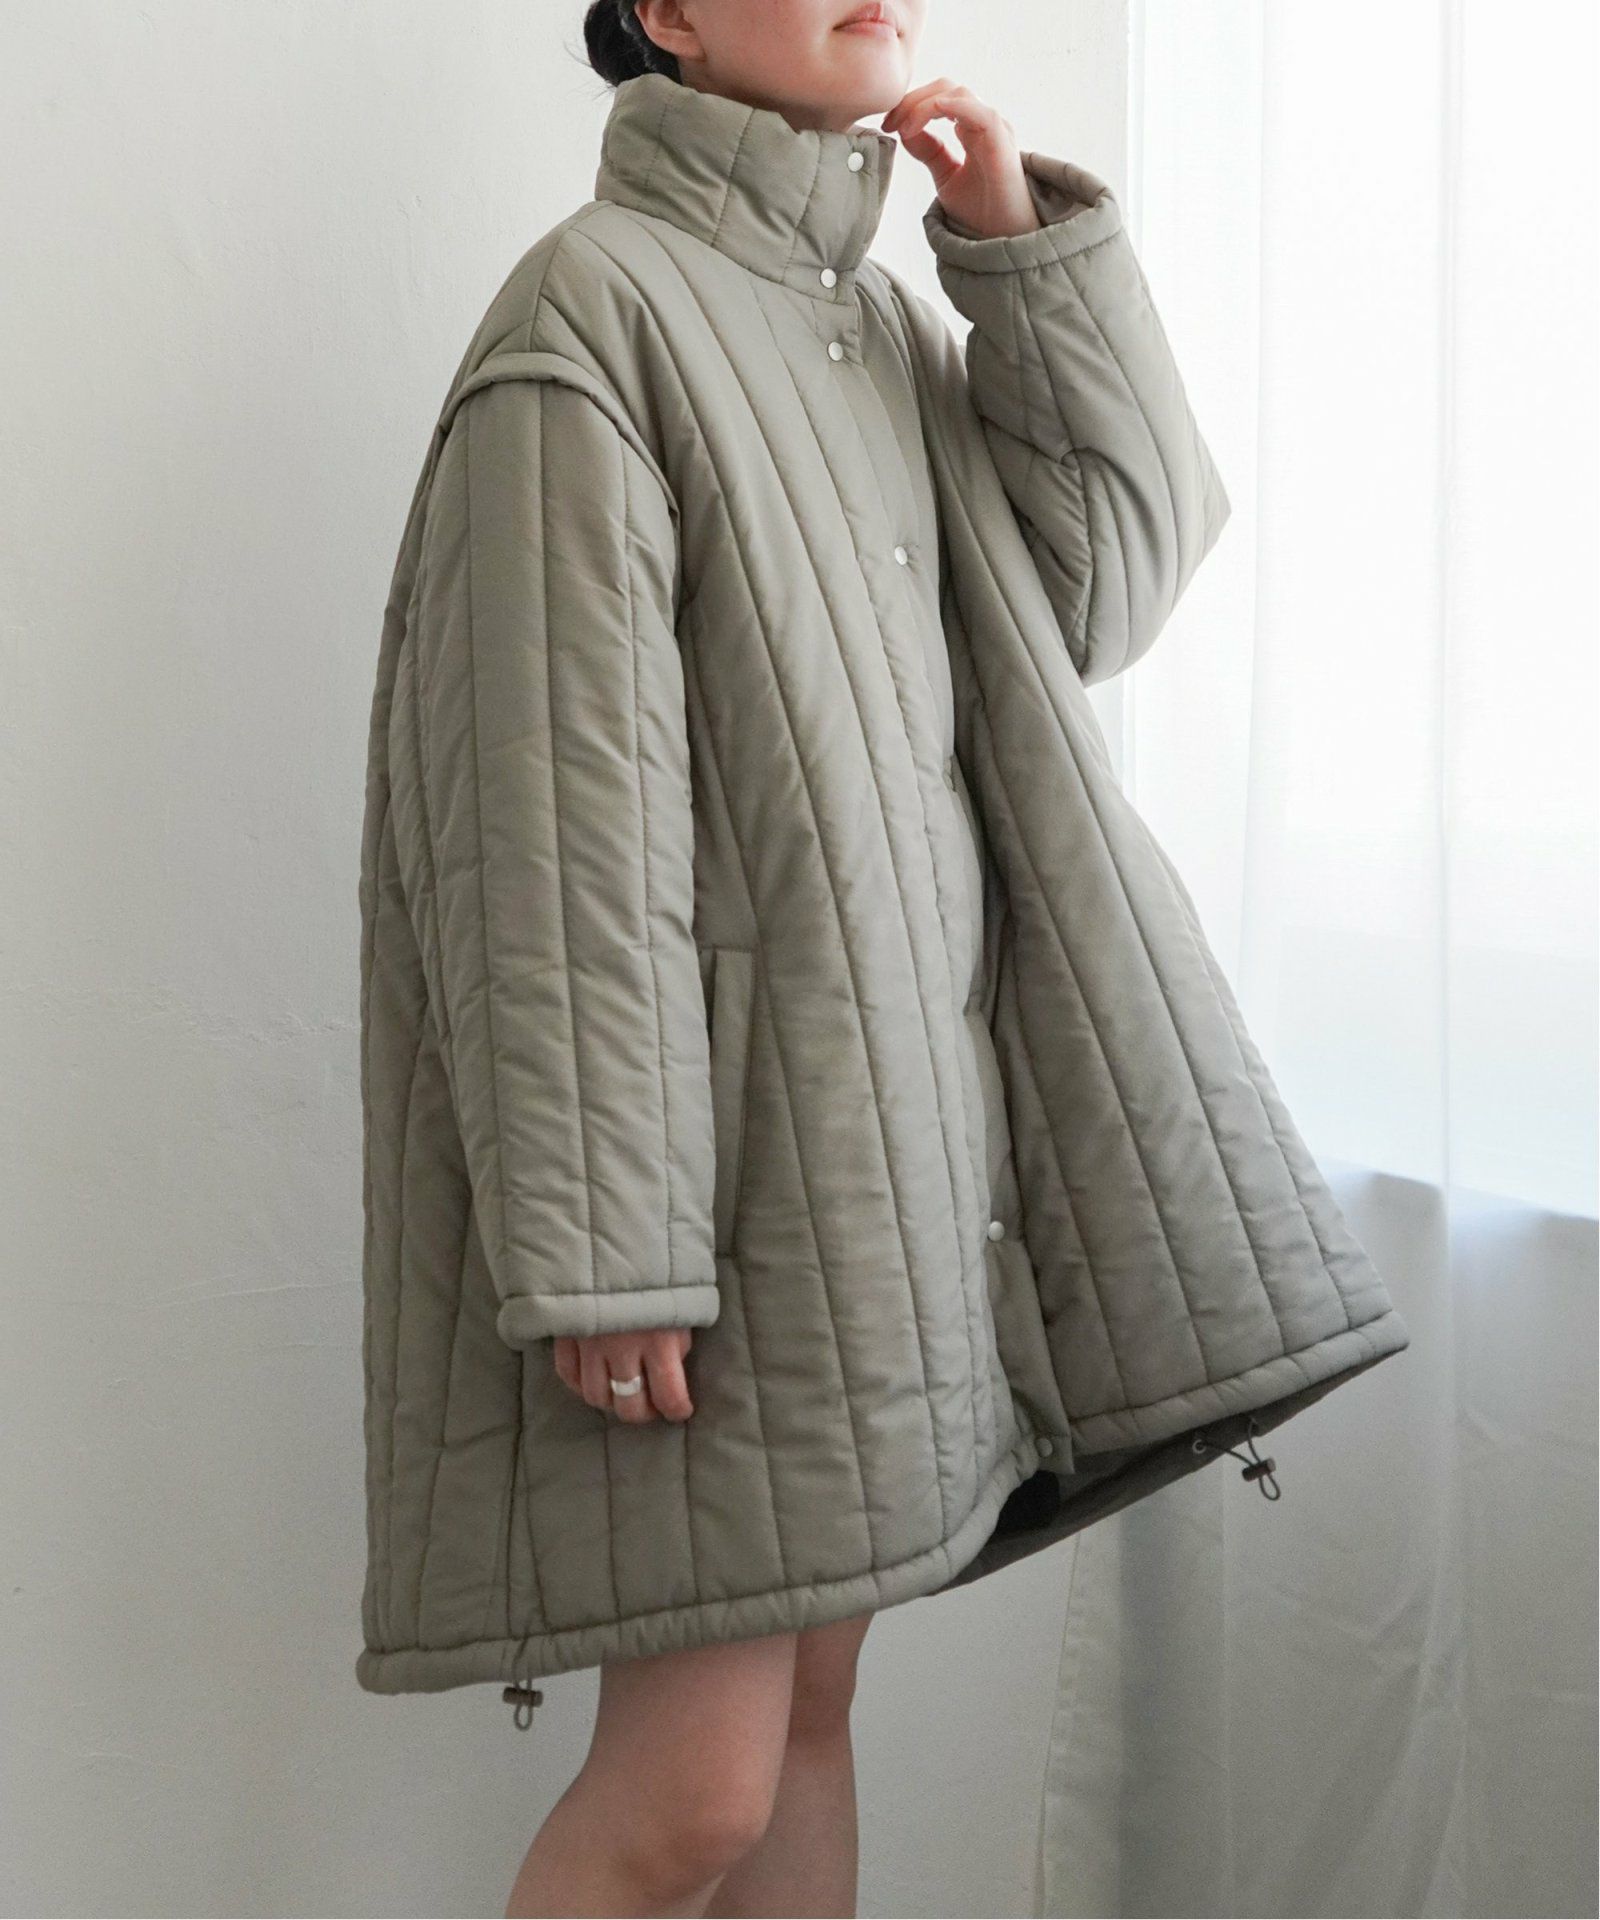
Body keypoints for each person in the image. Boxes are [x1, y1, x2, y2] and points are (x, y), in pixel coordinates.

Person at [356, 0, 1410, 1912]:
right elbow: (552, 823)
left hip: (887, 1169)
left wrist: (1018, 256)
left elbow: (1105, 583)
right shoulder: (591, 317)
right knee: (689, 1798)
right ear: (667, 15)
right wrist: (607, 1244)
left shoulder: (875, 324)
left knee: (811, 1724)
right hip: (718, 1204)